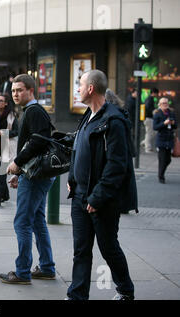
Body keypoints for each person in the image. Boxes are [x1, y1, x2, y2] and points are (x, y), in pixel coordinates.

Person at [66, 70, 137, 300]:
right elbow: (79, 150)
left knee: (109, 248)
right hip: (79, 196)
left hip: (101, 200)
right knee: (81, 250)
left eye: (80, 84)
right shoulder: (87, 115)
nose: (77, 88)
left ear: (91, 89)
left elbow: (117, 166)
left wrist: (97, 198)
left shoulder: (114, 121)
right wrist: (72, 180)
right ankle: (77, 295)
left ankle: (126, 291)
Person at [0, 74, 56, 285]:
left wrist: (18, 163)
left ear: (31, 90)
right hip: (35, 175)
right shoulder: (31, 112)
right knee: (38, 220)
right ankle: (47, 267)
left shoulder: (34, 111)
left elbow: (38, 142)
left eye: (19, 90)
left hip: (36, 177)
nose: (15, 94)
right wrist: (19, 173)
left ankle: (22, 272)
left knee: (22, 222)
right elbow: (35, 144)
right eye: (13, 91)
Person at [0, 92, 18, 206]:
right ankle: (5, 195)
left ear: (6, 103)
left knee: (1, 174)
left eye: (1, 101)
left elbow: (16, 131)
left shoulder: (11, 115)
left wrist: (3, 132)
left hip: (7, 145)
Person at [153, 97, 177, 184]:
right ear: (159, 104)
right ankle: (161, 176)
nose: (165, 105)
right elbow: (155, 127)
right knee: (162, 159)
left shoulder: (171, 113)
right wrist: (164, 123)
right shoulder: (157, 114)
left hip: (169, 139)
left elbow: (176, 125)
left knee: (168, 160)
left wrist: (173, 123)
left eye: (166, 103)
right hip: (161, 139)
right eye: (163, 103)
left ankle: (161, 173)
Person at [143, 88, 159, 152]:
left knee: (152, 132)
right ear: (154, 93)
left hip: (148, 118)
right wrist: (154, 111)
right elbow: (148, 108)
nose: (157, 95)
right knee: (150, 133)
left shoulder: (149, 99)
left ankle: (144, 142)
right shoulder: (150, 99)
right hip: (148, 118)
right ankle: (147, 147)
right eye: (156, 93)